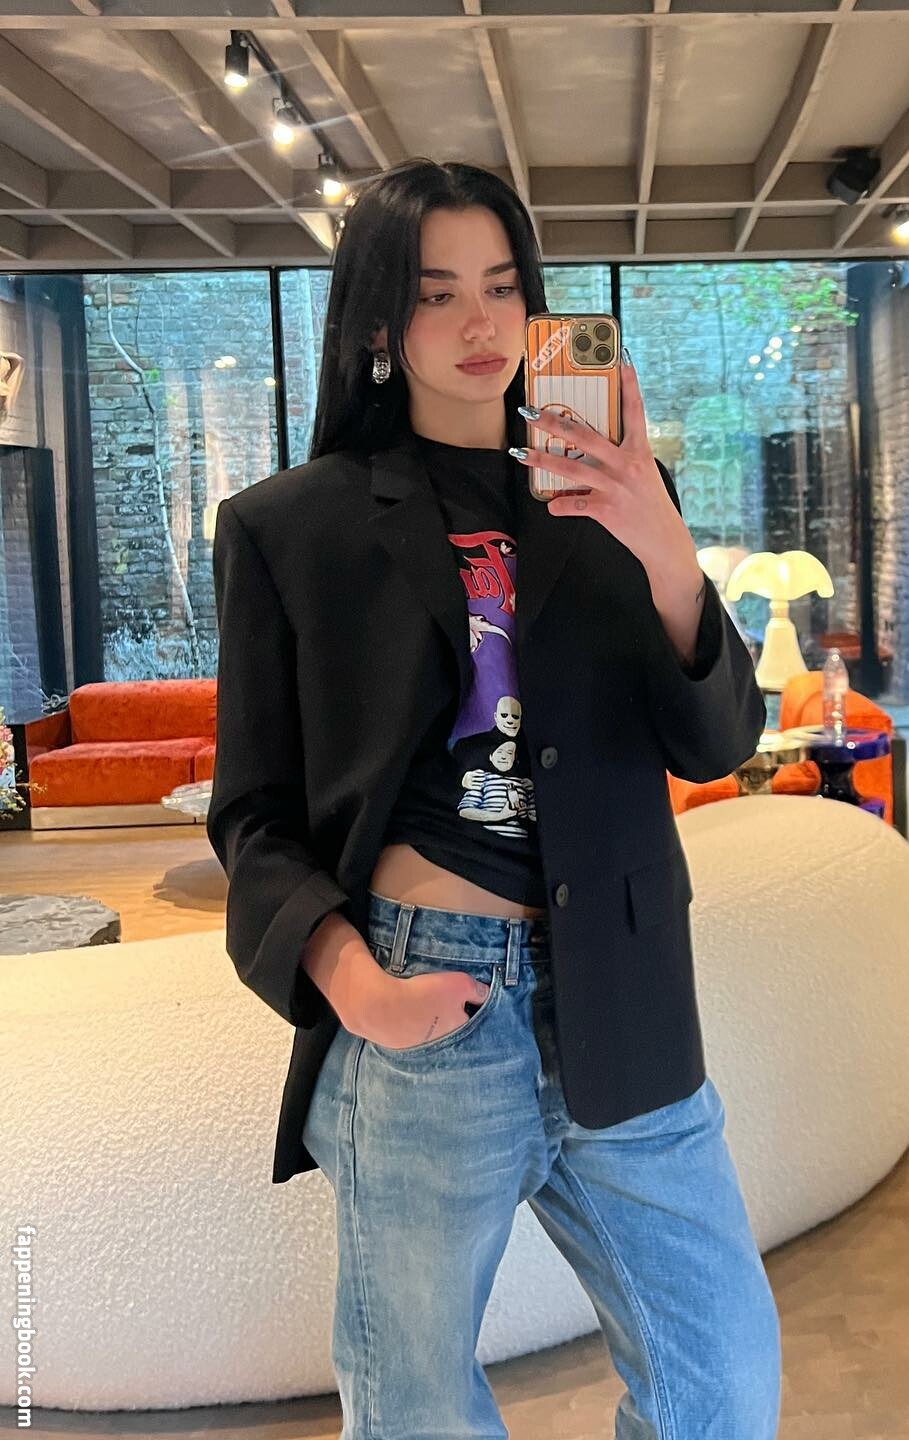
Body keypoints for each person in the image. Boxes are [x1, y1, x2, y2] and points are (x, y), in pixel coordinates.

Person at [204, 157, 779, 1439]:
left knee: (724, 1381)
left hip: (626, 997)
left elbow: (717, 745)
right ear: (377, 320)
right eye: (437, 292)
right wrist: (353, 983)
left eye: (505, 288)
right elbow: (253, 812)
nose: (481, 324)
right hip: (427, 1002)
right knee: (417, 1410)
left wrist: (667, 551)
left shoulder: (617, 497)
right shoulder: (290, 529)